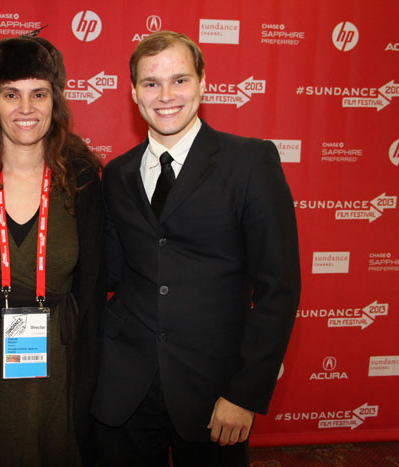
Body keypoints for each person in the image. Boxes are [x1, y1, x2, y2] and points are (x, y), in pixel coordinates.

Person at [92, 31, 301, 466]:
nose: (165, 95)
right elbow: (107, 271)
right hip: (124, 389)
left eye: (180, 80)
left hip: (214, 393)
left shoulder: (251, 162)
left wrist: (244, 393)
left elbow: (277, 287)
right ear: (133, 92)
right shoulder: (117, 173)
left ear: (203, 83)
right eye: (151, 83)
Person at [0, 34, 105, 466]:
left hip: (62, 362)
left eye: (39, 94)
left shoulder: (82, 175)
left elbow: (97, 282)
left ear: (56, 101)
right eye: (12, 94)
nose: (26, 108)